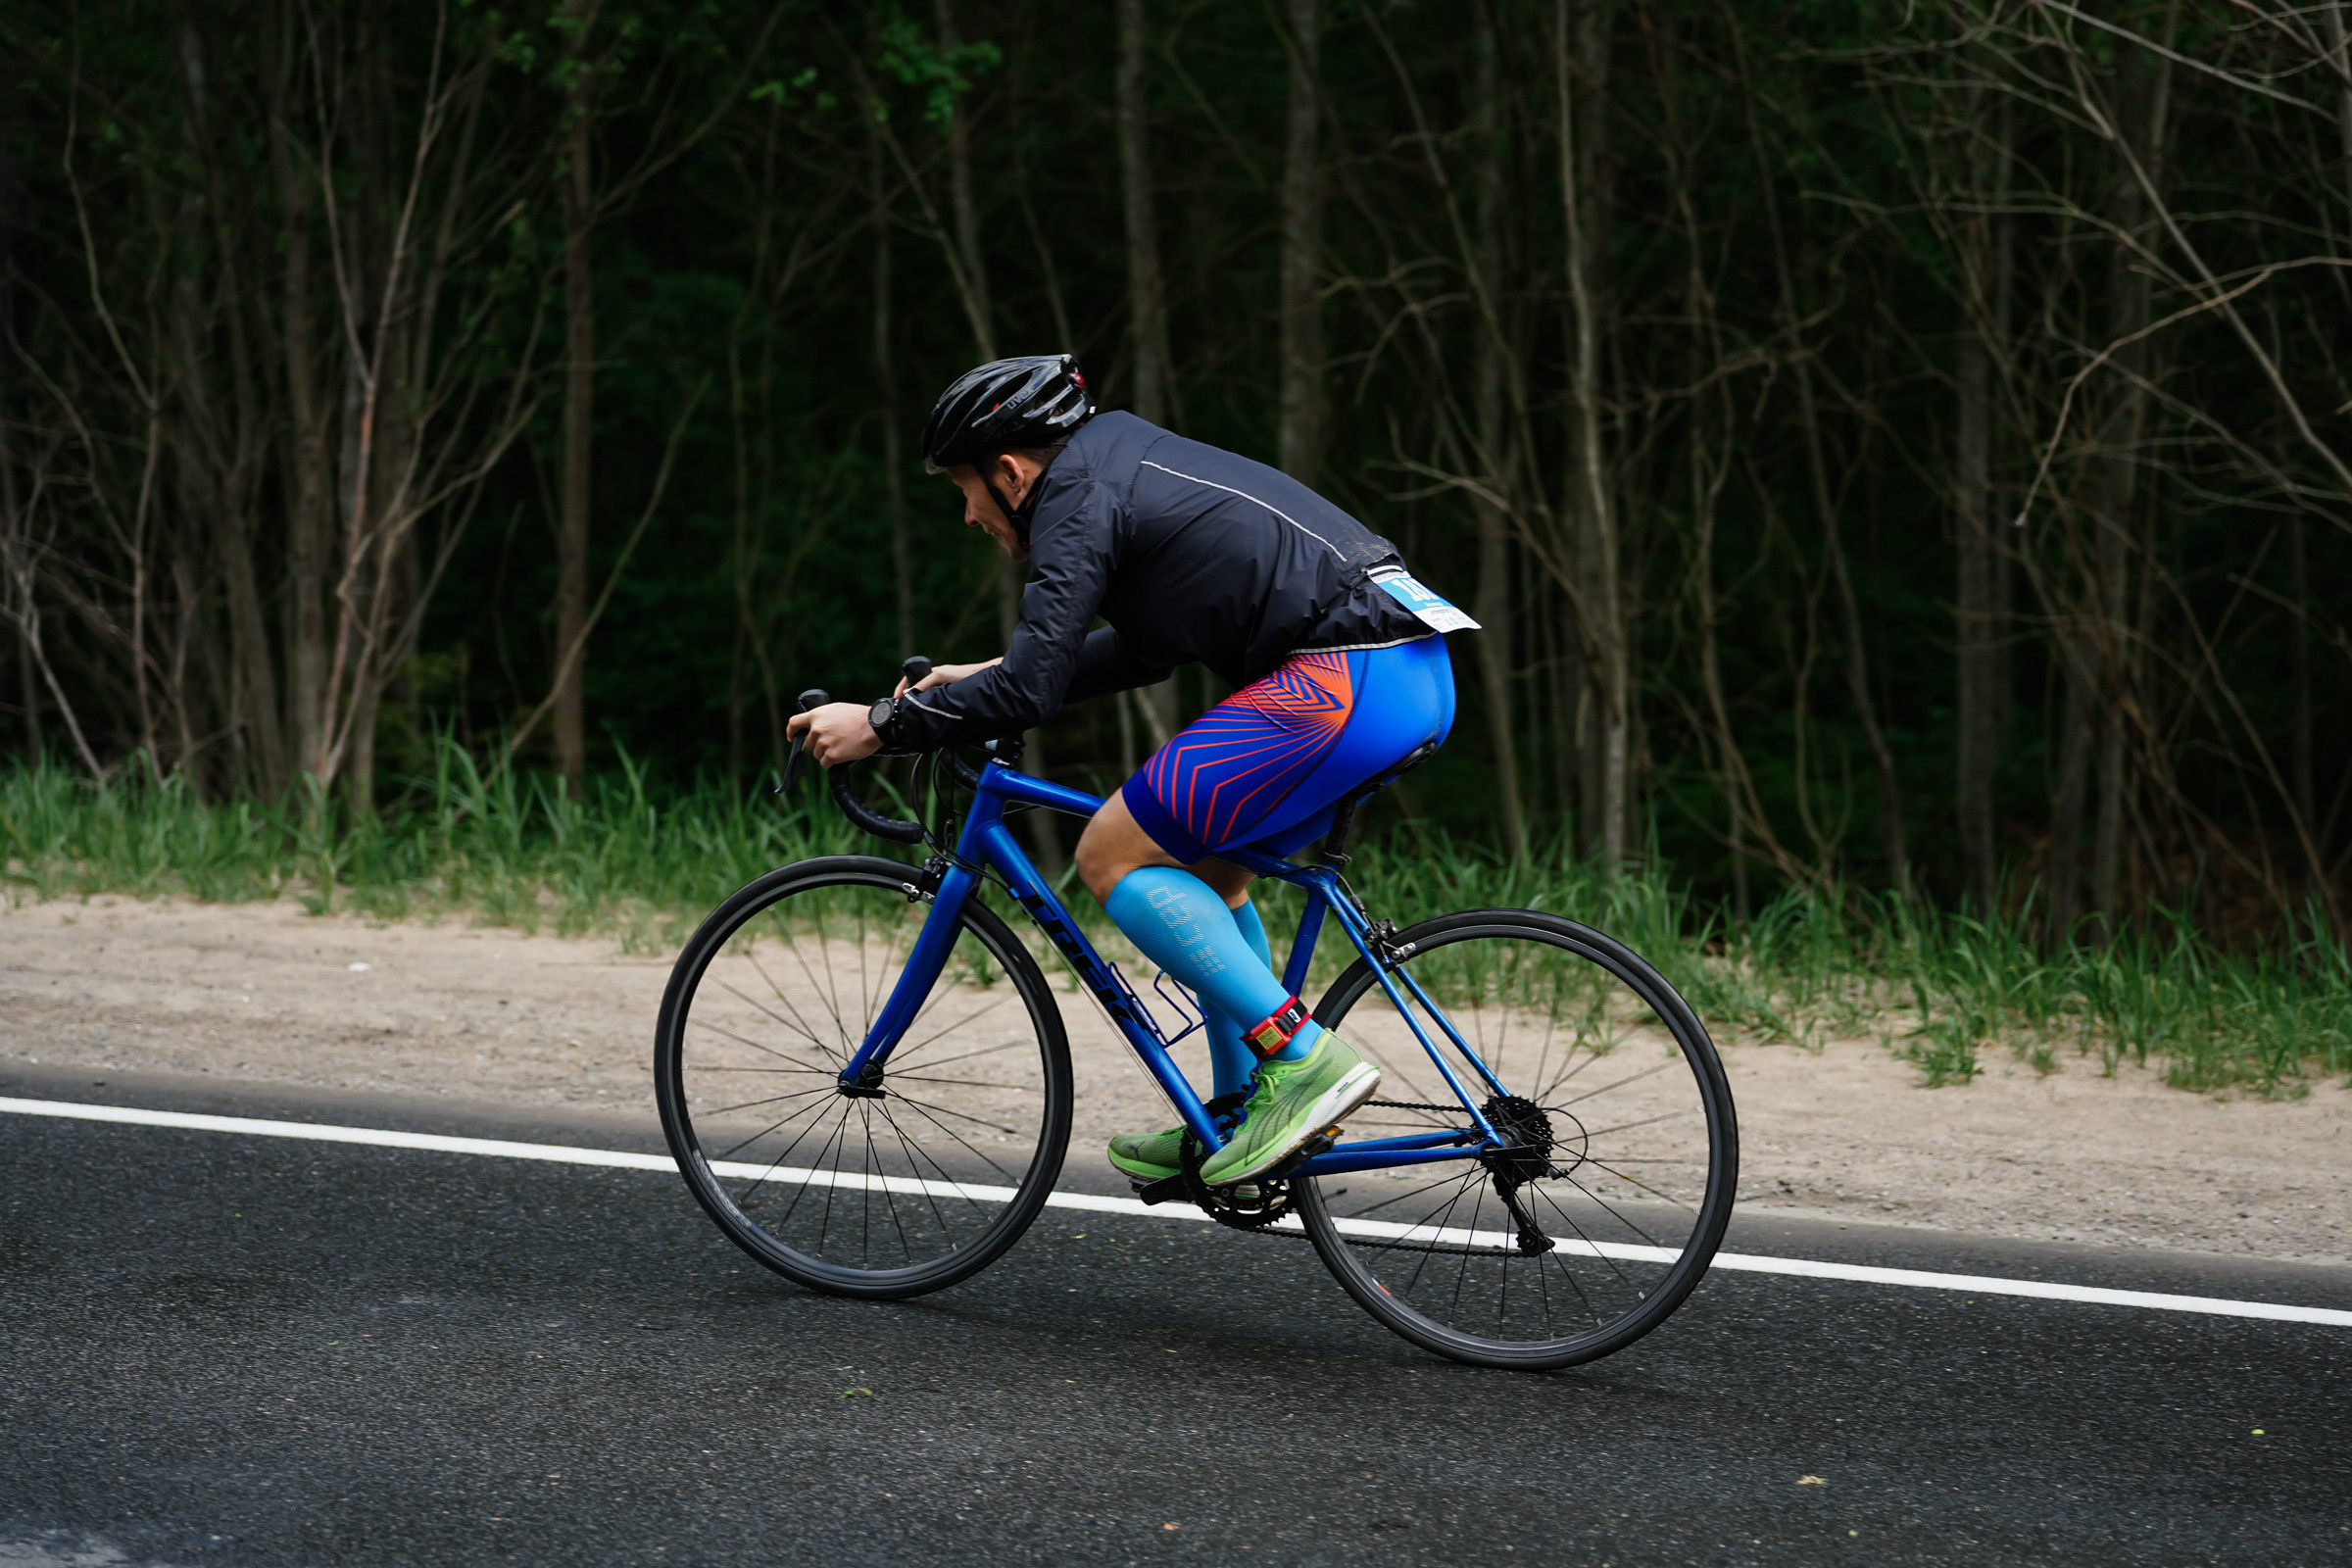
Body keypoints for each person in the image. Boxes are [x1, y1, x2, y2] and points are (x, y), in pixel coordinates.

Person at [787, 354, 1473, 1189]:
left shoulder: (1077, 497)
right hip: (1408, 680)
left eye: (963, 489)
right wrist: (986, 675)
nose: (967, 515)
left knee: (1110, 853)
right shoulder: (1120, 467)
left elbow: (1032, 691)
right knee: (1207, 876)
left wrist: (881, 725)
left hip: (1342, 682)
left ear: (1010, 472)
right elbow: (1141, 651)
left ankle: (1302, 1060)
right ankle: (1238, 1114)